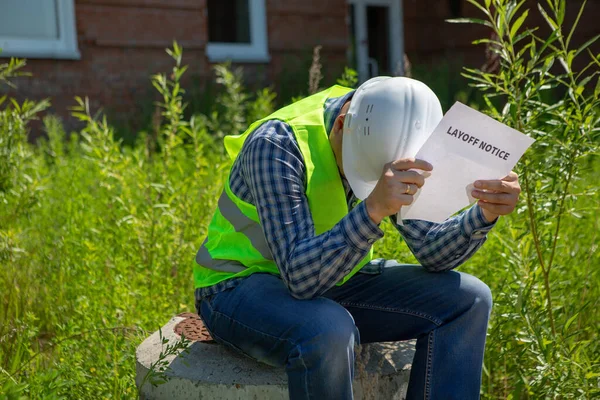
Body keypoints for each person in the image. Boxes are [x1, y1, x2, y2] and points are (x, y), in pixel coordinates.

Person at [193, 77, 521, 400]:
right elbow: (300, 279)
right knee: (328, 330)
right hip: (238, 287)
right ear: (341, 124)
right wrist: (374, 207)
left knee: (470, 299)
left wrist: (484, 214)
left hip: (331, 277)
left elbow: (431, 251)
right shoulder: (276, 146)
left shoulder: (390, 138)